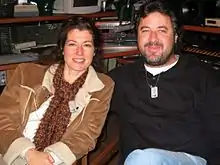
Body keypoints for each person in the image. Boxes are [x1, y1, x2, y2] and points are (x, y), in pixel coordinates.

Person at [108, 0, 220, 165]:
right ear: (137, 35)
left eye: (162, 30)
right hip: (137, 160)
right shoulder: (119, 79)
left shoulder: (205, 78)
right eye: (145, 30)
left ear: (175, 36)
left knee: (147, 159)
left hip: (190, 159)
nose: (153, 39)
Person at [0, 16, 114, 165]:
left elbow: (86, 137)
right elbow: (4, 121)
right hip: (13, 152)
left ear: (94, 51)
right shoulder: (26, 73)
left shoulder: (102, 86)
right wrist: (28, 153)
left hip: (57, 159)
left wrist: (47, 159)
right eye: (72, 44)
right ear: (62, 48)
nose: (79, 52)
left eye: (86, 45)